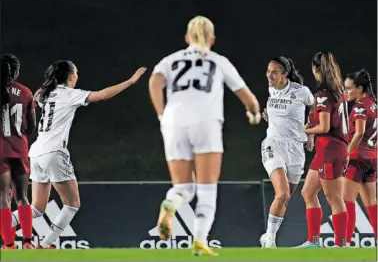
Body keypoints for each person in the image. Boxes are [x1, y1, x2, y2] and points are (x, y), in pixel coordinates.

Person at [149, 15, 261, 256]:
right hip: (206, 122)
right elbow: (248, 97)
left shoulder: (171, 60)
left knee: (183, 187)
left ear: (187, 37)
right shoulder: (217, 60)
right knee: (207, 188)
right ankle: (200, 241)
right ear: (212, 39)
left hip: (173, 122)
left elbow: (154, 82)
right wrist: (254, 113)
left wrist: (162, 114)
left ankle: (171, 204)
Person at [11, 60, 146, 249]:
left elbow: (38, 97)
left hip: (36, 153)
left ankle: (7, 228)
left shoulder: (44, 94)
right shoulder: (68, 94)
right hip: (54, 152)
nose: (77, 77)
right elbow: (102, 95)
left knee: (36, 208)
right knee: (72, 203)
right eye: (76, 73)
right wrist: (130, 82)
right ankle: (45, 244)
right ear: (71, 76)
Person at [259, 56, 315, 248]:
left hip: (296, 149)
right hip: (273, 144)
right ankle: (270, 241)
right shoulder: (271, 90)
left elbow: (315, 107)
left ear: (284, 73)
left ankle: (268, 235)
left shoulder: (301, 92)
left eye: (274, 72)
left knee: (286, 198)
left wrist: (311, 134)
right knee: (281, 194)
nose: (269, 75)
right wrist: (269, 117)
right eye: (268, 72)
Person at [297, 51, 348, 248]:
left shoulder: (324, 95)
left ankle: (341, 245)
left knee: (334, 198)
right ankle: (313, 242)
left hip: (331, 150)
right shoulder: (338, 92)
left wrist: (304, 129)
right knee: (308, 192)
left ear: (315, 69)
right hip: (326, 151)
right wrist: (310, 134)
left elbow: (325, 127)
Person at [0, 54, 36, 249]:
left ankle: (9, 244)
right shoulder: (25, 92)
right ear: (16, 72)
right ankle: (28, 241)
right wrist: (20, 137)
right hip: (19, 148)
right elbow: (31, 125)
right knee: (22, 197)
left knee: (3, 199)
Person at [343, 69, 377, 246]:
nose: (346, 92)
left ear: (360, 88)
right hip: (372, 158)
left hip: (357, 158)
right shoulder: (373, 104)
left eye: (349, 88)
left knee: (346, 200)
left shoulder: (360, 106)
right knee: (371, 203)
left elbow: (360, 132)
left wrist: (346, 154)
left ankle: (346, 243)